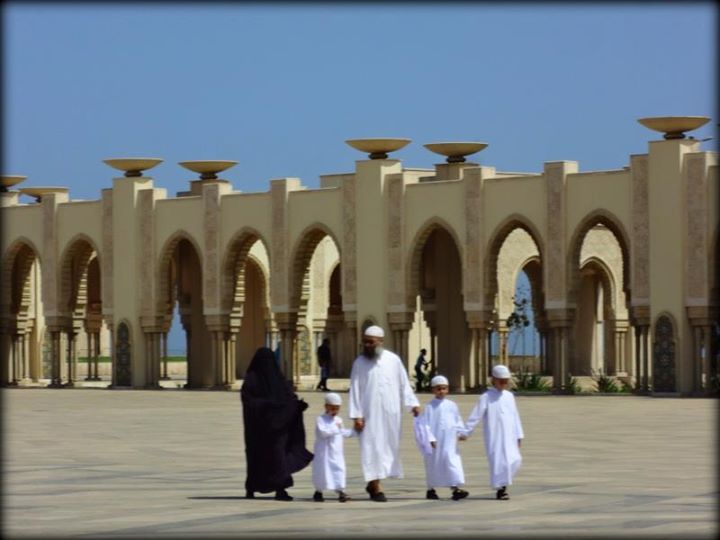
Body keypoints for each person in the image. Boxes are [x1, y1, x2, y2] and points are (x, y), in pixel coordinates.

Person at [348, 325, 420, 502]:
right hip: (369, 414)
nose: (367, 345)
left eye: (370, 342)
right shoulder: (359, 363)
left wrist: (413, 403)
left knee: (387, 447)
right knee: (371, 448)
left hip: (390, 413)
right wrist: (357, 414)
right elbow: (355, 390)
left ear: (380, 341)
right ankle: (376, 486)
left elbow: (404, 383)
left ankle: (373, 483)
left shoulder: (393, 360)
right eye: (364, 342)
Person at [241, 347, 313, 501]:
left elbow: (289, 399)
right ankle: (254, 487)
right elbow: (250, 403)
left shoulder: (266, 381)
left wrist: (296, 407)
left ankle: (278, 488)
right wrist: (272, 406)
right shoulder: (255, 381)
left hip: (274, 430)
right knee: (265, 457)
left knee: (277, 457)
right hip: (260, 430)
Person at [463, 364, 524, 501]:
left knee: (515, 460)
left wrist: (519, 435)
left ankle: (502, 485)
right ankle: (501, 489)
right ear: (493, 380)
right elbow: (476, 415)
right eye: (500, 381)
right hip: (494, 435)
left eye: (506, 381)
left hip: (509, 435)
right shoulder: (486, 396)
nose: (503, 384)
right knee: (499, 462)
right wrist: (466, 431)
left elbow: (515, 416)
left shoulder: (509, 396)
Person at [417, 375, 469, 501]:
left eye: (444, 388)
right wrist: (430, 438)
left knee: (452, 462)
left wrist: (462, 432)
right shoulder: (430, 406)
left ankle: (455, 488)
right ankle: (431, 489)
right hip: (435, 442)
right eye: (438, 389)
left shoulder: (452, 405)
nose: (441, 391)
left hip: (450, 441)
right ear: (433, 390)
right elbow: (424, 425)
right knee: (433, 464)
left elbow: (457, 420)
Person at [312, 392, 355, 503]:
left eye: (337, 408)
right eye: (333, 408)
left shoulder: (338, 420)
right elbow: (323, 433)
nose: (335, 411)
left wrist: (355, 431)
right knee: (322, 471)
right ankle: (318, 492)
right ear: (326, 406)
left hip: (336, 452)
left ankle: (341, 492)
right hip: (324, 452)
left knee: (339, 469)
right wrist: (336, 429)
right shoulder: (321, 419)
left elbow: (343, 432)